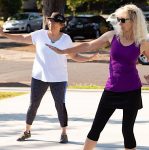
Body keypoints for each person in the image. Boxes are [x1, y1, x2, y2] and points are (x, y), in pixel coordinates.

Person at [46, 4, 149, 150]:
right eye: (118, 19)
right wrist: (63, 51)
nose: (119, 22)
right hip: (111, 89)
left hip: (132, 90)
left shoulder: (142, 43)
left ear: (133, 21)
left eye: (123, 20)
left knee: (127, 131)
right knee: (96, 128)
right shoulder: (112, 36)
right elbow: (89, 45)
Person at [0, 12, 98, 143]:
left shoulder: (66, 39)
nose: (51, 23)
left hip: (59, 79)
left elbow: (75, 56)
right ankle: (27, 131)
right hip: (39, 77)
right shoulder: (39, 35)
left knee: (60, 105)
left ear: (61, 25)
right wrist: (4, 34)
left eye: (55, 21)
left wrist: (89, 58)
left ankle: (63, 133)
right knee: (33, 104)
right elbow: (22, 37)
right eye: (50, 20)